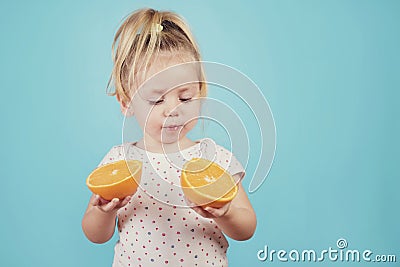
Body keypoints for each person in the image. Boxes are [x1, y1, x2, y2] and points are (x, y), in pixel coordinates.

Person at [82, 8, 256, 267]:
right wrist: (102, 211)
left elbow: (247, 227)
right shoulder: (119, 162)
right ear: (127, 102)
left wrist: (226, 214)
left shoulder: (215, 159)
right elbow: (95, 235)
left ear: (200, 93)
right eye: (156, 100)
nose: (173, 109)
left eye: (185, 98)